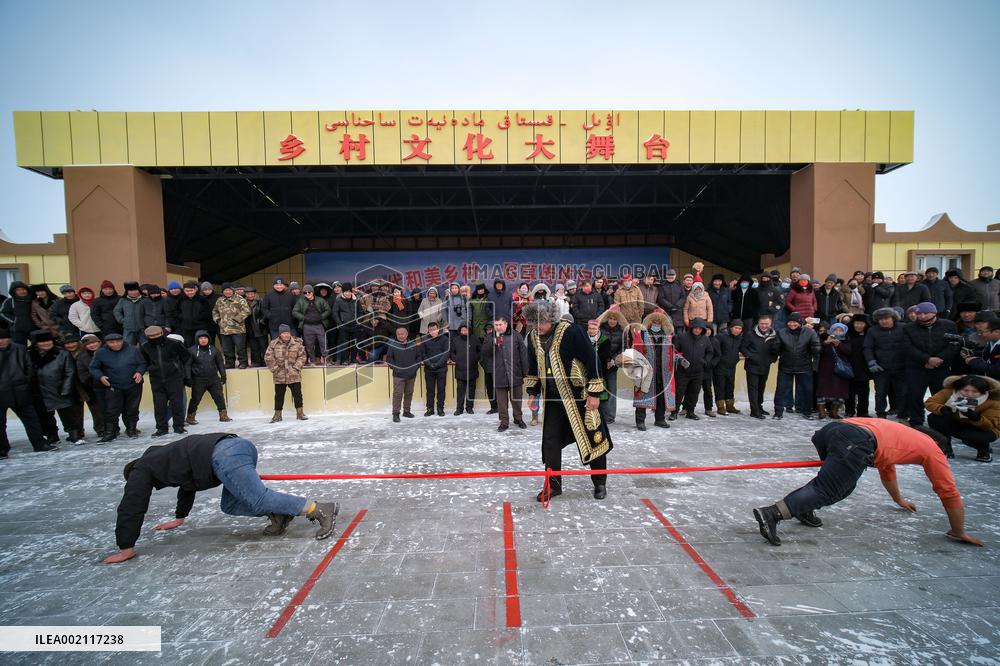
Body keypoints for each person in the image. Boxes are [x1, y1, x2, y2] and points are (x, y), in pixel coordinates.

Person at [103, 433, 340, 564]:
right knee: (230, 504)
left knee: (256, 499)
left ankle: (318, 508)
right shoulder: (163, 460)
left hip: (224, 454)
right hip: (233, 448)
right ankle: (278, 513)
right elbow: (187, 485)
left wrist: (126, 547)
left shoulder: (141, 470)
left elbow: (131, 506)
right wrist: (180, 517)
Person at [753, 418, 982, 547]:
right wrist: (958, 530)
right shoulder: (933, 450)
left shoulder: (904, 435)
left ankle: (804, 508)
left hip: (832, 429)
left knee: (839, 483)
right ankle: (772, 513)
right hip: (856, 440)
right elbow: (948, 491)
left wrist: (899, 499)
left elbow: (887, 471)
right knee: (831, 488)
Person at [523, 301, 613, 502]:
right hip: (553, 399)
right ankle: (553, 485)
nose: (538, 326)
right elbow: (533, 367)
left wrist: (594, 393)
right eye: (533, 322)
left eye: (541, 322)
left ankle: (600, 483)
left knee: (593, 436)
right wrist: (532, 392)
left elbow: (593, 360)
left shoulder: (572, 332)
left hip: (580, 397)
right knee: (550, 443)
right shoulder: (531, 338)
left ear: (551, 319)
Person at [902, 302, 959, 426]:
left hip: (941, 367)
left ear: (934, 313)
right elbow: (907, 347)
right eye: (919, 314)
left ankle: (941, 419)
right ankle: (916, 420)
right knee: (914, 395)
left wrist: (940, 358)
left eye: (926, 313)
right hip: (917, 367)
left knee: (941, 395)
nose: (922, 316)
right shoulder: (908, 328)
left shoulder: (949, 325)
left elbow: (954, 345)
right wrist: (927, 359)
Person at [0, 325, 52, 455]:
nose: (1, 341)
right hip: (1, 393)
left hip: (21, 391)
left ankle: (39, 444)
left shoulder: (20, 349)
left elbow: (29, 367)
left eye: (4, 338)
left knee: (32, 420)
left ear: (9, 339)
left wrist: (24, 381)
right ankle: (2, 449)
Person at [925, 374, 1000, 462]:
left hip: (985, 429)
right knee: (934, 418)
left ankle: (984, 449)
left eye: (975, 392)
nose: (969, 394)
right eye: (965, 390)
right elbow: (930, 402)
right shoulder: (949, 392)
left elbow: (989, 425)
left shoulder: (993, 401)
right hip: (959, 423)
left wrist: (975, 417)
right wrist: (942, 409)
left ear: (982, 391)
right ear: (959, 388)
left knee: (970, 437)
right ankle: (945, 447)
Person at [28, 329, 84, 444]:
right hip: (40, 390)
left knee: (68, 414)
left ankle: (74, 434)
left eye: (48, 341)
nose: (46, 343)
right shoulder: (29, 355)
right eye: (42, 342)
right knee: (45, 416)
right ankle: (51, 435)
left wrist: (66, 388)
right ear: (36, 344)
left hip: (59, 388)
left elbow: (70, 372)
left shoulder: (62, 353)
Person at [90, 332, 146, 441]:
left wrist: (139, 372)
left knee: (132, 409)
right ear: (107, 343)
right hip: (113, 386)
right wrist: (100, 376)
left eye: (118, 341)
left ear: (122, 341)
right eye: (112, 342)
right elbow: (94, 368)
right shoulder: (101, 353)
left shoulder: (133, 350)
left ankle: (131, 429)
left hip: (133, 384)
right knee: (111, 410)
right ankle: (110, 432)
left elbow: (142, 363)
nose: (115, 344)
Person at [141, 325, 191, 437]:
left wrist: (180, 370)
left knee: (177, 404)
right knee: (159, 405)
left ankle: (179, 427)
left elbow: (186, 357)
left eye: (156, 335)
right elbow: (144, 361)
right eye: (151, 336)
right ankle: (161, 428)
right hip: (156, 379)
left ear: (162, 334)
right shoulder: (145, 347)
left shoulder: (174, 344)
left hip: (174, 378)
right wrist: (150, 369)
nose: (154, 338)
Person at [629, 309, 676, 430]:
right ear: (650, 321)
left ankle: (660, 419)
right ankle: (640, 421)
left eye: (659, 321)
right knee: (643, 394)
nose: (656, 323)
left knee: (661, 396)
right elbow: (635, 349)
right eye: (654, 321)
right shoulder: (643, 334)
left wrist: (678, 359)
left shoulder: (668, 336)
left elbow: (673, 352)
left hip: (663, 371)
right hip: (646, 370)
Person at [480, 316, 529, 432]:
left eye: (500, 324)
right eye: (496, 325)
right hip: (499, 373)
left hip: (515, 372)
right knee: (502, 402)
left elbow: (523, 354)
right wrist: (492, 343)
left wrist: (525, 371)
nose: (498, 327)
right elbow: (485, 353)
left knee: (516, 399)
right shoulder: (490, 336)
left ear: (506, 324)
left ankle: (518, 418)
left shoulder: (516, 335)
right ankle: (504, 422)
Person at [773, 313, 821, 420]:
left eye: (794, 322)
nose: (792, 324)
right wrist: (775, 347)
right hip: (786, 366)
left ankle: (807, 412)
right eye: (790, 322)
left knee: (807, 390)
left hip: (804, 366)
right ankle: (778, 412)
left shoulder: (809, 332)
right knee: (781, 390)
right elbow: (776, 347)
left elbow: (816, 345)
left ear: (800, 323)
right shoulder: (782, 332)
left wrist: (815, 350)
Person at [865, 307, 909, 420]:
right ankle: (880, 414)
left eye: (886, 318)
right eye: (880, 319)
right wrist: (872, 362)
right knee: (880, 392)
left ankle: (903, 414)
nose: (884, 321)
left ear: (893, 318)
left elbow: (910, 345)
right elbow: (867, 348)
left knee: (902, 392)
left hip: (901, 367)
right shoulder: (872, 331)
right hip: (881, 368)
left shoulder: (903, 328)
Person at [671, 317, 714, 420]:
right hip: (682, 371)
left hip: (698, 372)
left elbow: (710, 352)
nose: (697, 330)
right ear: (691, 328)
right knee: (679, 393)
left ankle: (691, 412)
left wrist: (705, 362)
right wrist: (680, 361)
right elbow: (675, 351)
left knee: (694, 393)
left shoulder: (705, 339)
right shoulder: (682, 337)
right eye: (695, 328)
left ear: (703, 329)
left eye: (700, 328)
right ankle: (674, 412)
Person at [186, 330, 231, 426]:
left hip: (213, 379)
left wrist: (223, 376)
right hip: (198, 379)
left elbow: (220, 364)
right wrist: (188, 378)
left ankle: (223, 415)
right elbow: (187, 365)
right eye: (201, 338)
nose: (203, 340)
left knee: (219, 397)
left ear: (208, 339)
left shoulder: (214, 350)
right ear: (197, 339)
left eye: (205, 338)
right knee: (195, 399)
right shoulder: (191, 351)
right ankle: (190, 417)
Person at [265, 324, 307, 422]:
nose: (286, 335)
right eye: (284, 333)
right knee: (279, 395)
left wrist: (296, 368)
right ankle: (277, 415)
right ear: (280, 334)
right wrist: (275, 369)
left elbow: (302, 356)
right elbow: (268, 357)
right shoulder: (273, 344)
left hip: (294, 374)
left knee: (297, 394)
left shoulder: (297, 343)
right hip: (280, 375)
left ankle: (300, 413)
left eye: (288, 333)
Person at [740, 314, 779, 419]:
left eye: (766, 324)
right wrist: (750, 356)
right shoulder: (750, 334)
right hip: (752, 365)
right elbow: (743, 347)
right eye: (762, 323)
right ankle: (754, 410)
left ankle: (759, 406)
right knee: (753, 389)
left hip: (765, 365)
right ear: (758, 323)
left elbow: (776, 349)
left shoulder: (774, 335)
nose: (764, 326)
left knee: (761, 387)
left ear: (770, 324)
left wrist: (772, 359)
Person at [816, 322, 852, 419]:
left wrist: (839, 344)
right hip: (825, 368)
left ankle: (834, 411)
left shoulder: (846, 340)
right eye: (836, 330)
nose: (838, 332)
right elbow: (818, 351)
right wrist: (826, 343)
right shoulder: (825, 338)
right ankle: (821, 411)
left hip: (841, 370)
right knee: (822, 391)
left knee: (840, 392)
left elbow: (849, 352)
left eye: (840, 330)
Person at [386, 326, 421, 422]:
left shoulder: (413, 344)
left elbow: (419, 358)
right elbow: (389, 359)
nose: (400, 336)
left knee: (409, 393)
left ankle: (406, 411)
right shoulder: (393, 345)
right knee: (398, 394)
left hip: (411, 374)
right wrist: (396, 368)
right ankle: (396, 413)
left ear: (406, 334)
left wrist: (415, 368)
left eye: (402, 334)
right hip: (398, 375)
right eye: (398, 334)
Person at [213, 283, 252, 369]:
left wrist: (237, 320)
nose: (227, 292)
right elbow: (215, 311)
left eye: (229, 290)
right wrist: (218, 320)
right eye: (225, 290)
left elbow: (247, 311)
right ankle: (229, 363)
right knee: (227, 349)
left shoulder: (239, 299)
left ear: (232, 290)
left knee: (240, 348)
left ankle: (243, 363)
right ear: (223, 291)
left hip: (238, 329)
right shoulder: (219, 300)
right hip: (224, 329)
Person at [292, 284, 331, 367]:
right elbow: (294, 312)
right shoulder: (301, 301)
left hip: (319, 325)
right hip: (307, 326)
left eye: (309, 292)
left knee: (323, 343)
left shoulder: (320, 300)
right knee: (309, 345)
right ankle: (312, 361)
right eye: (305, 293)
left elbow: (328, 310)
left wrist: (321, 317)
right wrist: (304, 318)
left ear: (312, 292)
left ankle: (326, 359)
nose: (307, 294)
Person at [844, 314, 872, 418]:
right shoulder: (848, 334)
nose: (859, 326)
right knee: (850, 392)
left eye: (861, 323)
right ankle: (849, 410)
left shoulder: (869, 334)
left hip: (864, 368)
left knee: (864, 392)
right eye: (857, 323)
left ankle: (863, 411)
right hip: (850, 367)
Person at [714, 320, 744, 415]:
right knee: (720, 387)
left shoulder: (740, 338)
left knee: (730, 386)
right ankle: (720, 407)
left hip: (731, 366)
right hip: (720, 366)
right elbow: (714, 349)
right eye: (736, 328)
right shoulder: (721, 336)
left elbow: (742, 349)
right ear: (731, 327)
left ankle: (730, 406)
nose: (737, 330)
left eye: (740, 328)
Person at [599, 310, 624, 423]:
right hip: (601, 364)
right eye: (610, 318)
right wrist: (606, 360)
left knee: (612, 390)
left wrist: (614, 360)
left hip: (614, 365)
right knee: (600, 389)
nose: (612, 321)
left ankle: (610, 416)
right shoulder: (601, 329)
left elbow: (623, 348)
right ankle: (600, 414)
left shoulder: (621, 332)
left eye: (614, 319)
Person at [450, 323, 480, 416]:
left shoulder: (475, 339)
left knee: (471, 390)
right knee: (460, 390)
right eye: (462, 330)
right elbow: (451, 352)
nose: (463, 332)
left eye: (465, 330)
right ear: (459, 331)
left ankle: (469, 408)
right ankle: (459, 409)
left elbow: (480, 351)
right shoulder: (455, 340)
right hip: (460, 369)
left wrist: (475, 358)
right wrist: (456, 359)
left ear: (469, 330)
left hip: (472, 368)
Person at [421, 321, 449, 417]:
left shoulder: (444, 339)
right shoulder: (424, 339)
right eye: (431, 330)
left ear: (438, 329)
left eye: (434, 329)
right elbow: (423, 354)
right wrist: (429, 364)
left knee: (441, 389)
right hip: (429, 369)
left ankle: (440, 408)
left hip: (441, 369)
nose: (433, 331)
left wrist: (438, 364)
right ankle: (430, 409)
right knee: (430, 390)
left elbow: (446, 353)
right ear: (428, 330)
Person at [333, 282, 363, 364]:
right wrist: (340, 323)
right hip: (344, 326)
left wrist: (358, 321)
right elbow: (335, 313)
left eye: (349, 291)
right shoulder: (338, 300)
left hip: (355, 325)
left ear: (351, 292)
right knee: (345, 344)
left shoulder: (356, 300)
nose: (347, 293)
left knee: (354, 343)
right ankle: (345, 360)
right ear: (343, 292)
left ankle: (353, 359)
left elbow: (360, 312)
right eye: (345, 291)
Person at [114, 281, 147, 346]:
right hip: (128, 328)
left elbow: (149, 311)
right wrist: (121, 320)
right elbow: (116, 311)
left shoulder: (144, 299)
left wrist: (146, 322)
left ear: (138, 290)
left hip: (143, 329)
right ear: (127, 291)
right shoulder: (123, 300)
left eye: (135, 290)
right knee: (128, 347)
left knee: (146, 347)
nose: (133, 292)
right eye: (131, 291)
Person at [243, 287, 268, 367]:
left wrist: (261, 321)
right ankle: (256, 362)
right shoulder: (243, 302)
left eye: (251, 293)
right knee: (253, 347)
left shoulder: (260, 301)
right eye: (248, 294)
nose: (250, 295)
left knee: (263, 346)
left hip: (260, 327)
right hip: (249, 328)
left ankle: (265, 361)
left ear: (255, 294)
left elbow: (265, 313)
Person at [478, 322, 499, 415]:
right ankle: (493, 407)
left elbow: (495, 351)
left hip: (496, 368)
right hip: (487, 368)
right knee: (490, 389)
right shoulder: (486, 338)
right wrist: (482, 363)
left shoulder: (497, 338)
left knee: (497, 389)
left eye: (490, 329)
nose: (488, 331)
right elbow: (482, 354)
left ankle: (498, 407)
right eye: (487, 329)